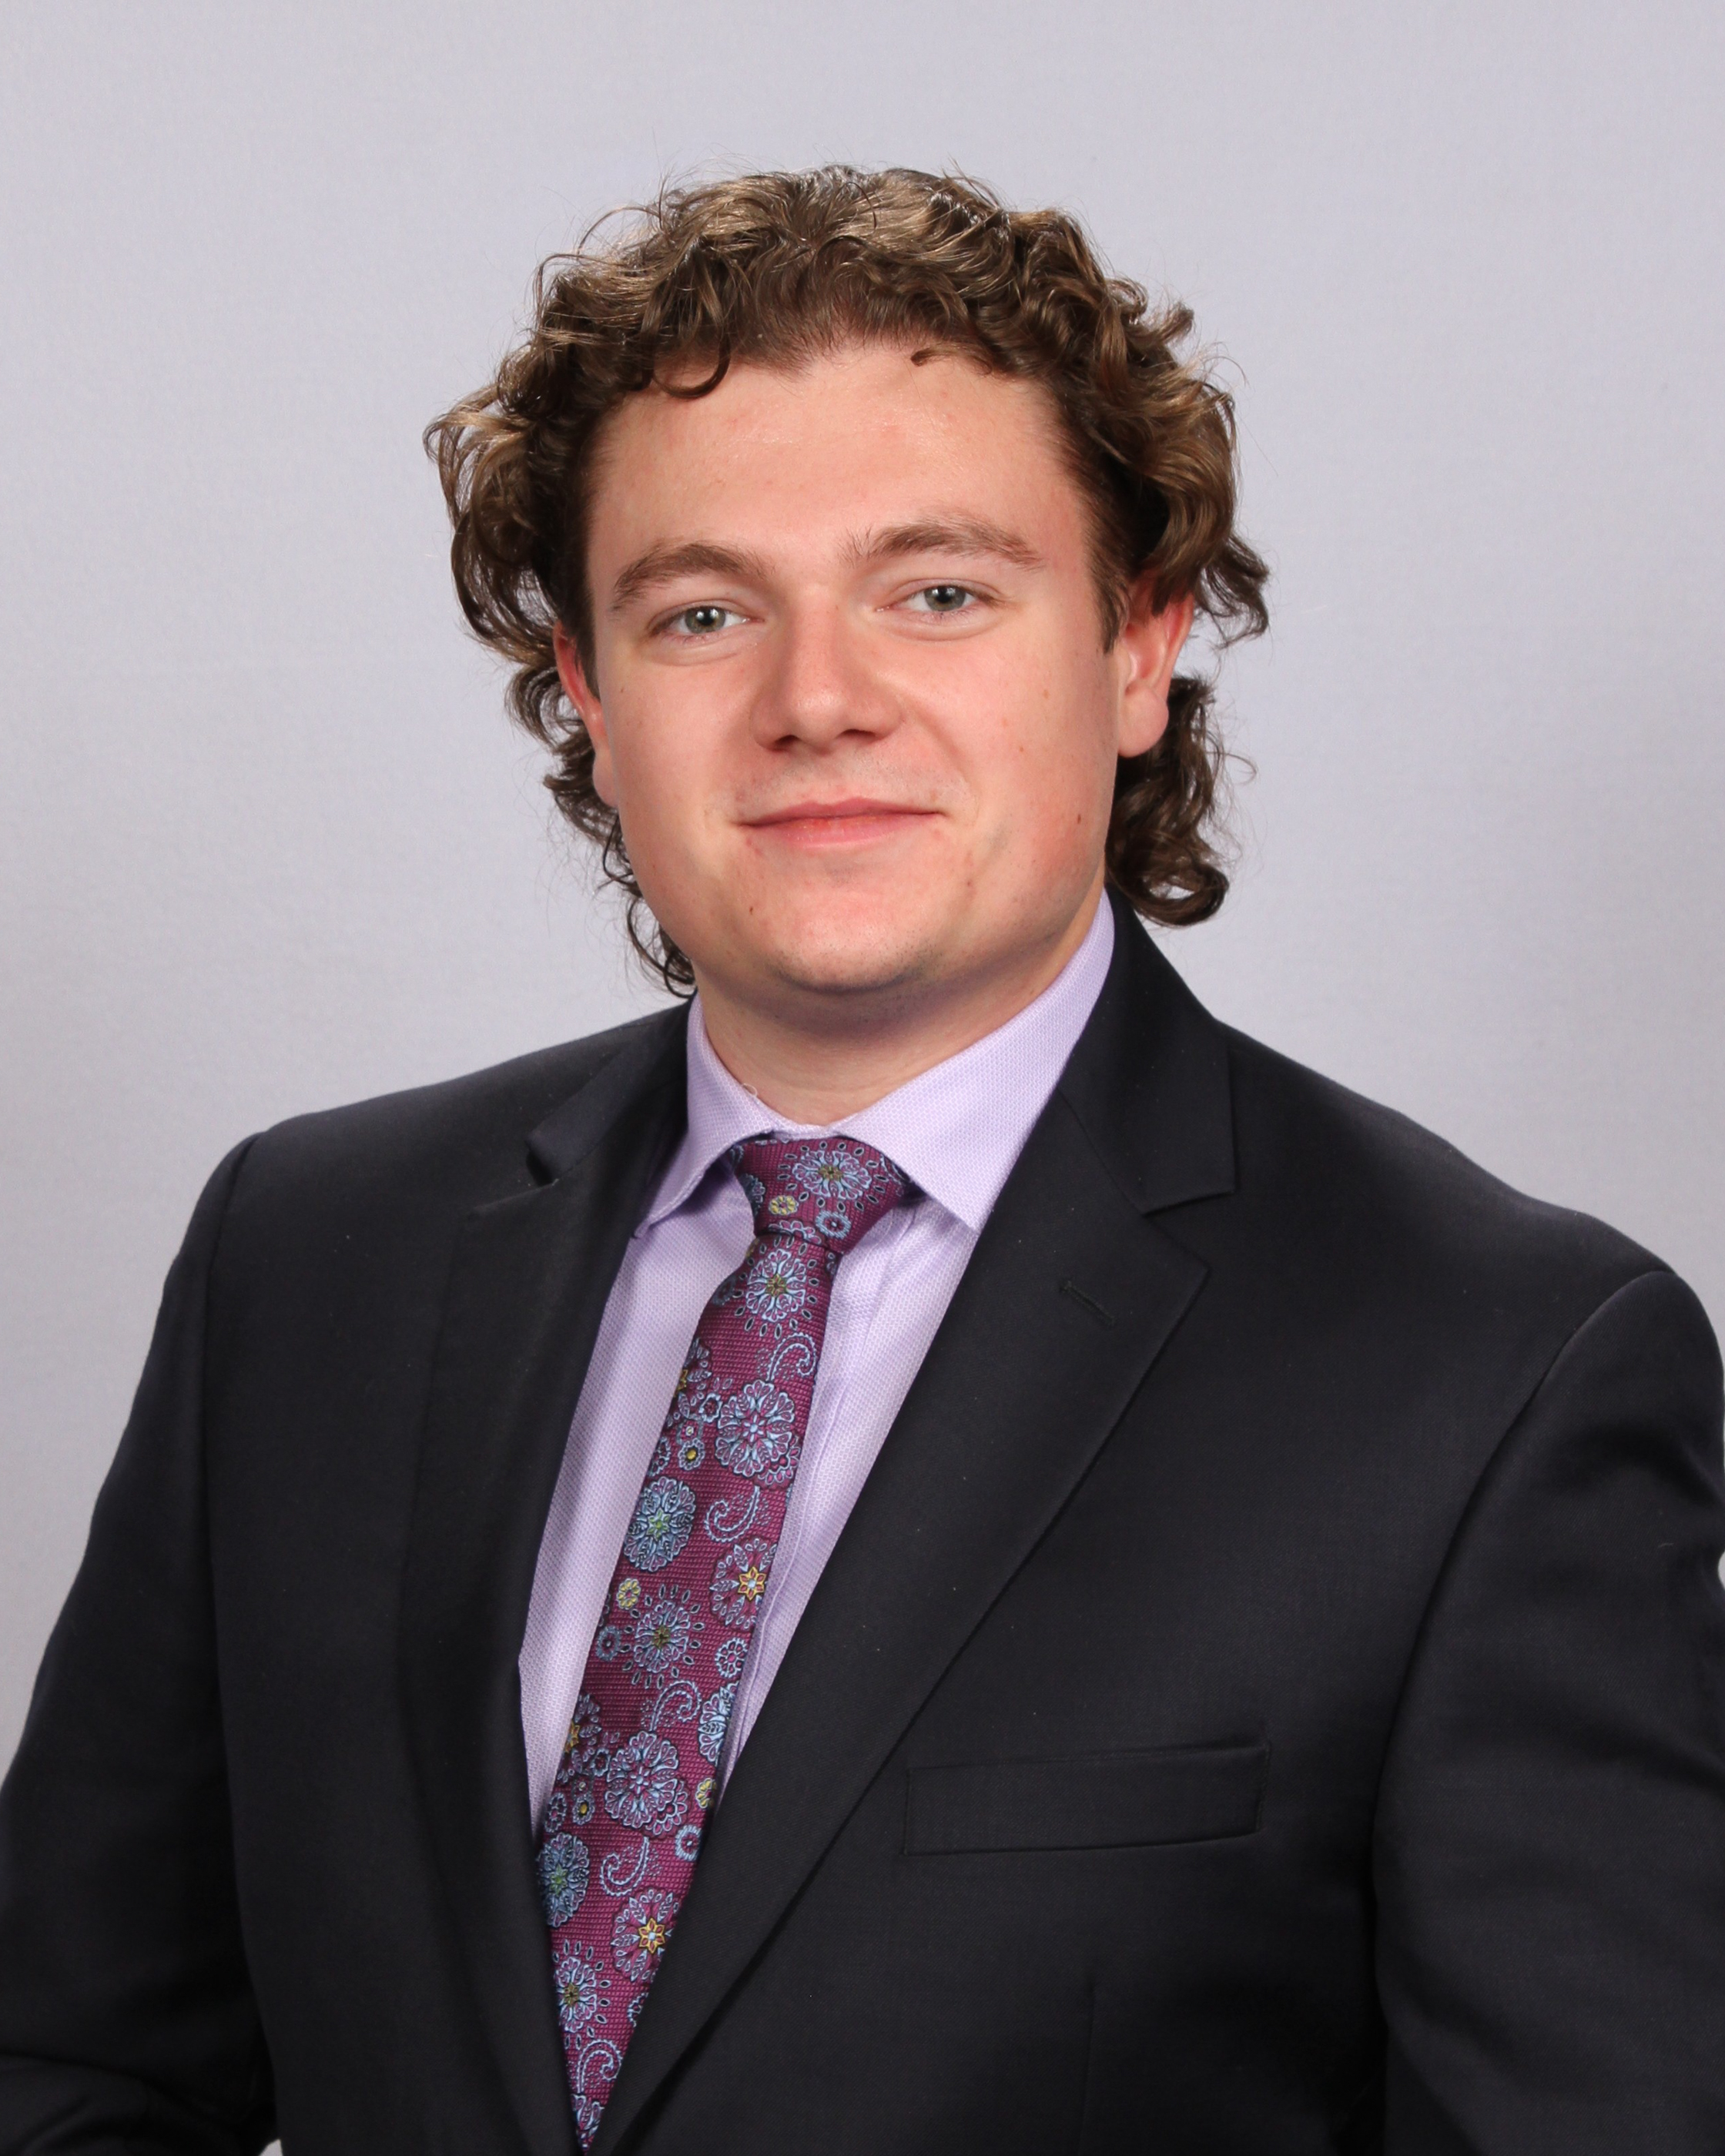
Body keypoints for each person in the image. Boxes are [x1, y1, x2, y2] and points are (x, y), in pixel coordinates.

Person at [1, 165, 1720, 2156]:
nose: (818, 701)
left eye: (940, 593)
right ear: (589, 696)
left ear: (1139, 646)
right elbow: (71, 2064)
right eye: (704, 612)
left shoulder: (1495, 1370)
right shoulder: (311, 1262)